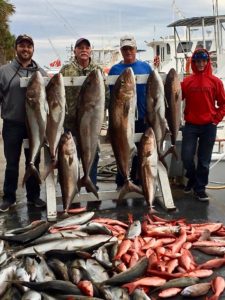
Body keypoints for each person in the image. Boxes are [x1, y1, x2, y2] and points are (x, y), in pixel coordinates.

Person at [0, 34, 47, 212]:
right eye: (22, 46)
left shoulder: (41, 73)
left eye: (29, 46)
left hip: (34, 125)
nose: (25, 49)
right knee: (12, 162)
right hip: (12, 124)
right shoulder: (4, 71)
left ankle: (33, 196)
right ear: (16, 48)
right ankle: (9, 197)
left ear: (33, 49)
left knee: (33, 159)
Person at [60, 38, 105, 191]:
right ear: (75, 51)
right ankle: (72, 189)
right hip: (70, 123)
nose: (83, 50)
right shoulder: (65, 70)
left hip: (91, 122)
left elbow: (108, 95)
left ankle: (91, 186)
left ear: (90, 50)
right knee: (71, 156)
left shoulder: (97, 70)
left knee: (94, 153)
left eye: (86, 47)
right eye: (80, 48)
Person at [108, 34, 153, 188]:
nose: (128, 51)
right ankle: (122, 181)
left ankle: (138, 180)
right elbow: (111, 96)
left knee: (140, 150)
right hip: (122, 117)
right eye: (125, 49)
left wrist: (150, 113)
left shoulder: (146, 67)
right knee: (122, 147)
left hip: (142, 116)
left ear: (135, 49)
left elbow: (151, 92)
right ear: (121, 50)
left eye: (130, 48)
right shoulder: (115, 69)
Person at [181, 48, 225, 201]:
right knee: (186, 157)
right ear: (194, 62)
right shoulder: (186, 82)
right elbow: (175, 98)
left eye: (203, 61)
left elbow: (223, 103)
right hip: (191, 125)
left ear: (207, 62)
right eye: (197, 61)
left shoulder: (216, 81)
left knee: (204, 160)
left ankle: (200, 189)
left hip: (209, 126)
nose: (200, 64)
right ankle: (192, 178)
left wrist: (216, 120)